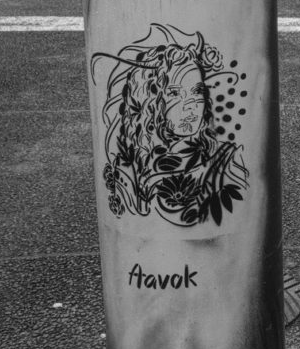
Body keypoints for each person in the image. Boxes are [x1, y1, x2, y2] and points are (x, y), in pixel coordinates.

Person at [92, 24, 249, 228]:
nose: (190, 104)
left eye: (197, 91)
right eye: (174, 93)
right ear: (149, 101)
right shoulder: (126, 170)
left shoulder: (226, 162)